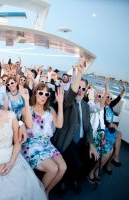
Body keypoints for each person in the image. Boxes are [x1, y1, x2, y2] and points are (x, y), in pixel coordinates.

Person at [0, 84, 47, 199]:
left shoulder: (10, 116)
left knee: (21, 192)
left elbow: (17, 143)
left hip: (13, 158)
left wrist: (11, 163)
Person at [52, 62, 98, 194]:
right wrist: (79, 74)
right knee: (76, 163)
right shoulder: (68, 101)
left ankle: (74, 179)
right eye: (78, 87)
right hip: (68, 141)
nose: (80, 90)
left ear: (85, 91)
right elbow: (71, 93)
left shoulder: (86, 106)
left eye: (83, 89)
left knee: (93, 159)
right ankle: (63, 182)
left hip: (82, 141)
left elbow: (88, 127)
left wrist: (91, 144)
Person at [21, 83, 66, 196]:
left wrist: (60, 103)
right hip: (31, 145)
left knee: (63, 168)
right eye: (41, 93)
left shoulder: (50, 110)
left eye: (46, 94)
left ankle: (46, 192)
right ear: (35, 93)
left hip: (46, 144)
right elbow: (29, 125)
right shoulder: (27, 108)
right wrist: (26, 101)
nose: (43, 96)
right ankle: (38, 195)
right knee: (53, 169)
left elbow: (59, 125)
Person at [103, 79, 126, 173]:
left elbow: (118, 98)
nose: (109, 99)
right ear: (104, 97)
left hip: (110, 129)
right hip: (105, 129)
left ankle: (113, 158)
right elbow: (102, 120)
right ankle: (112, 160)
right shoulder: (102, 107)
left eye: (110, 98)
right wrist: (111, 124)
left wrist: (124, 90)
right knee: (117, 139)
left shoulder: (110, 106)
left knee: (119, 135)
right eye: (107, 97)